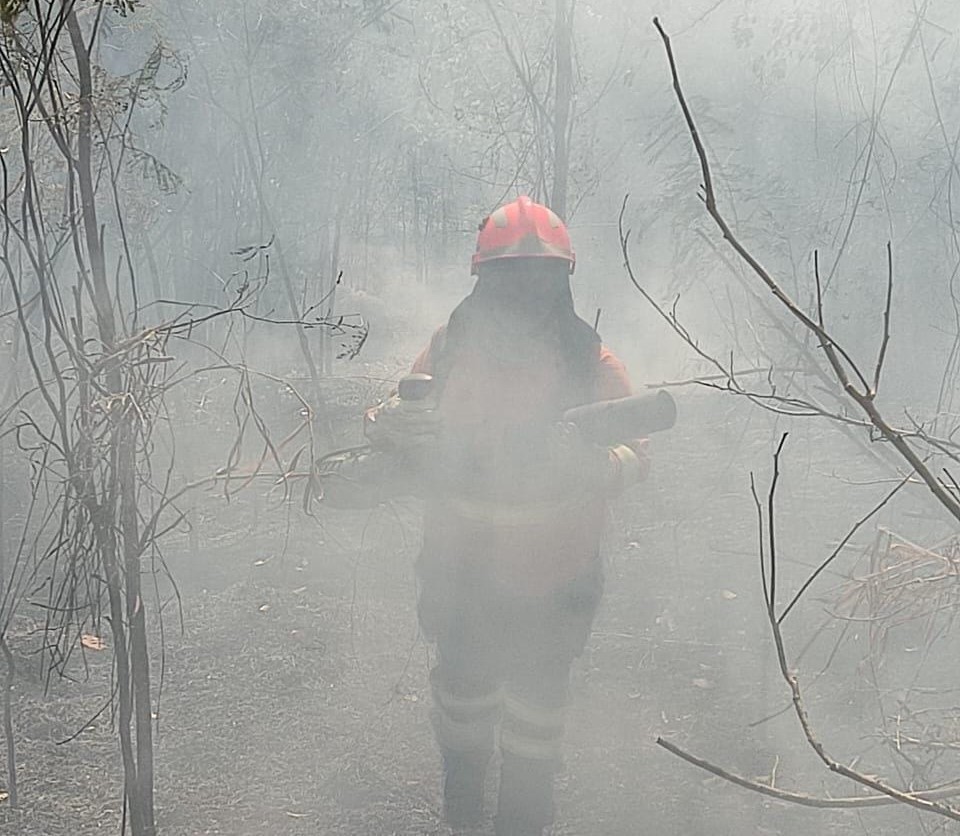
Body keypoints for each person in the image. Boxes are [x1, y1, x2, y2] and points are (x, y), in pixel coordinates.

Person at [372, 196, 649, 835]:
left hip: (556, 579)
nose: (525, 291)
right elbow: (403, 410)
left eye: (538, 276)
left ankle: (524, 821)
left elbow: (638, 450)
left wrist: (595, 466)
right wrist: (391, 426)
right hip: (459, 573)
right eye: (510, 276)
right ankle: (463, 813)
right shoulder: (448, 349)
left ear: (561, 281)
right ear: (484, 280)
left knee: (535, 717)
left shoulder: (590, 362)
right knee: (463, 701)